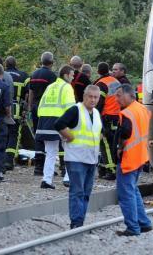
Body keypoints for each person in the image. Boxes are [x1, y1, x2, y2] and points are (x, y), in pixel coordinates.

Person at [55, 85, 103, 229]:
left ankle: (79, 221)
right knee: (77, 191)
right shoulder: (76, 110)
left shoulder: (96, 113)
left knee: (86, 192)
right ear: (84, 96)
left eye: (96, 97)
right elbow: (58, 124)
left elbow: (101, 132)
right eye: (90, 96)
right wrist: (69, 137)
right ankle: (76, 222)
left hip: (91, 158)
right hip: (76, 158)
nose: (93, 100)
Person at [114, 85, 152, 236]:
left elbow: (125, 133)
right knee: (133, 190)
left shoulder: (127, 113)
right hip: (141, 156)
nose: (116, 99)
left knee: (126, 193)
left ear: (129, 95)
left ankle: (133, 228)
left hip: (129, 158)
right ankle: (144, 223)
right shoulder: (142, 109)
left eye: (119, 96)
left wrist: (119, 147)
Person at [36, 65, 76, 189]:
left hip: (44, 121)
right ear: (66, 75)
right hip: (60, 122)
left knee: (50, 152)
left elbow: (40, 105)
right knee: (70, 149)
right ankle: (68, 178)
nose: (73, 77)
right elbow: (70, 108)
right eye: (72, 75)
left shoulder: (50, 86)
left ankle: (46, 180)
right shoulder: (67, 87)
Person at [28, 52, 57, 175]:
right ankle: (45, 165)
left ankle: (38, 166)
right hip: (47, 109)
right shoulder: (52, 76)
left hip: (35, 107)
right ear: (52, 62)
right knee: (49, 137)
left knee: (37, 134)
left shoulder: (34, 74)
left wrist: (30, 107)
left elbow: (31, 92)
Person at [94, 62, 122, 180]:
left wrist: (94, 115)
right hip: (117, 116)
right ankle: (106, 168)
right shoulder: (116, 81)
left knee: (105, 144)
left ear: (98, 71)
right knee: (113, 144)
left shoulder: (101, 84)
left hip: (107, 117)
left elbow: (99, 103)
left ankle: (111, 170)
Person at [4, 56, 29, 170]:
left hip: (2, 108)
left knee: (2, 134)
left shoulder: (1, 74)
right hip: (16, 108)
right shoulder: (23, 76)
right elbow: (28, 93)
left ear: (5, 64)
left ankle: (1, 159)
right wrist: (25, 109)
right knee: (14, 134)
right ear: (16, 64)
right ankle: (9, 160)